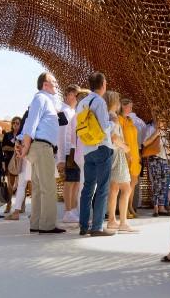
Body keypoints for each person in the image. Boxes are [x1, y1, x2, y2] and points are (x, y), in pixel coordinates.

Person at [19, 72, 65, 233]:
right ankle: (47, 225)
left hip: (39, 147)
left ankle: (36, 223)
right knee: (48, 187)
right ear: (45, 84)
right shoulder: (41, 99)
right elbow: (31, 124)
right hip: (42, 147)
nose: (56, 85)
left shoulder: (44, 100)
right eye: (54, 82)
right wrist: (25, 147)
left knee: (39, 187)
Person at [77, 72, 115, 237]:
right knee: (103, 187)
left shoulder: (81, 103)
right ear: (103, 84)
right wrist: (113, 123)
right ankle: (97, 227)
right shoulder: (99, 101)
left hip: (87, 149)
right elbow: (104, 126)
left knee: (87, 188)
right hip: (101, 147)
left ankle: (84, 226)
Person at [105, 91, 138, 233]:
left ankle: (112, 220)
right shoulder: (113, 117)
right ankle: (123, 222)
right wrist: (125, 147)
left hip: (110, 154)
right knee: (126, 188)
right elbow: (114, 137)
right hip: (118, 154)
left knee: (113, 189)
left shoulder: (106, 115)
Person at [57, 85, 81, 224]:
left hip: (75, 151)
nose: (77, 99)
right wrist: (61, 158)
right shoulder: (62, 112)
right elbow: (60, 136)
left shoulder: (73, 112)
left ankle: (72, 209)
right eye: (76, 95)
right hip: (67, 152)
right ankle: (68, 211)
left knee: (76, 182)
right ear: (69, 95)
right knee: (69, 182)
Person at [143, 112, 170, 217]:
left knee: (164, 184)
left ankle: (161, 207)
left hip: (165, 159)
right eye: (160, 119)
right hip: (154, 158)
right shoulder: (150, 129)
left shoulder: (168, 131)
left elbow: (169, 147)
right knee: (156, 183)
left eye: (164, 120)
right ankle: (155, 207)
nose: (162, 122)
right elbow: (145, 143)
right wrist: (156, 133)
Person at [2, 116, 22, 212]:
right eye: (14, 122)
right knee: (10, 184)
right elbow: (3, 147)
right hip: (10, 161)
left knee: (22, 184)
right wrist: (14, 149)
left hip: (21, 161)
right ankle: (9, 205)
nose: (15, 124)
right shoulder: (7, 135)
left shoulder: (23, 135)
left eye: (18, 123)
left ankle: (22, 206)